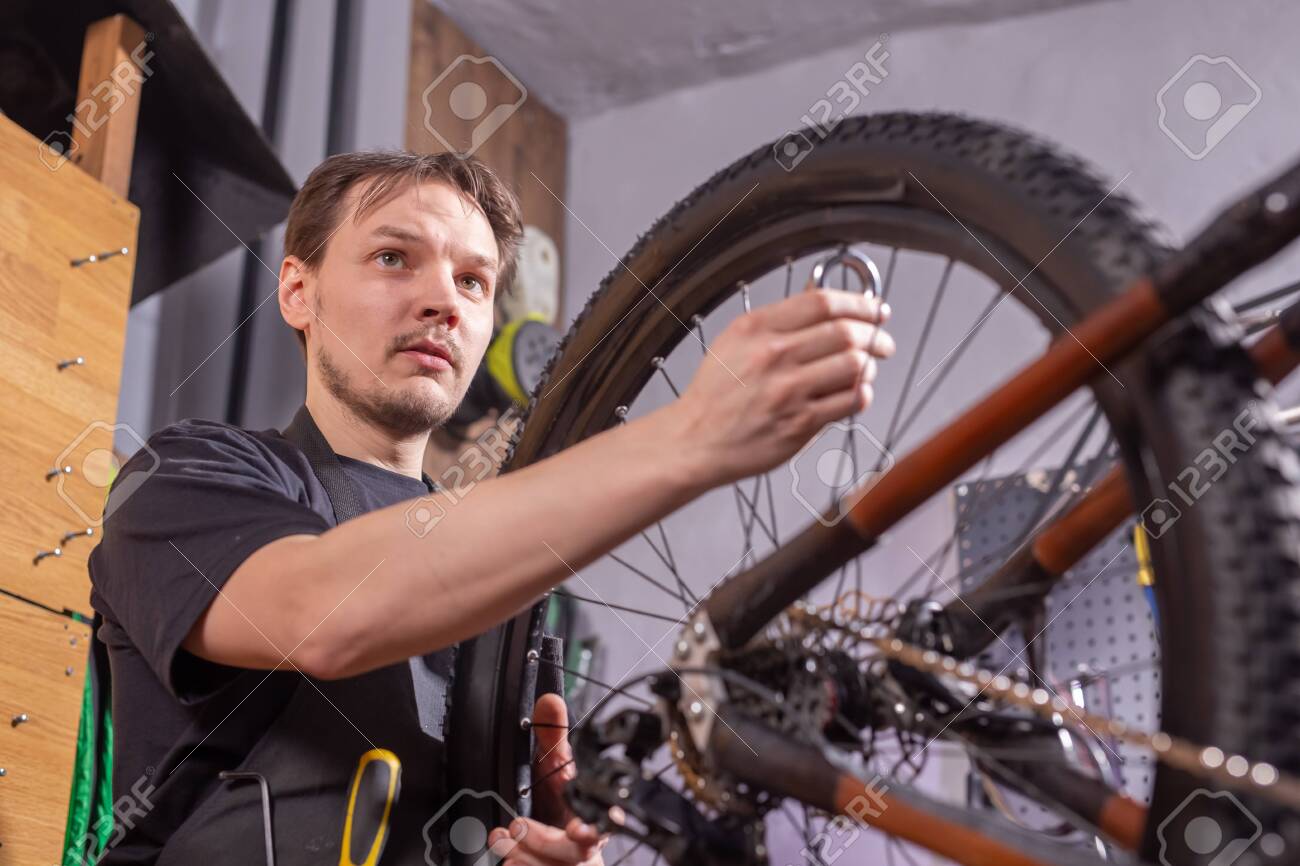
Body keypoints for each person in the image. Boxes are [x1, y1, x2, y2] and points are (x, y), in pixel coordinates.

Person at [88, 150, 895, 865]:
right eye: (394, 257)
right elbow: (326, 612)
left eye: (473, 280)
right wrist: (690, 438)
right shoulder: (189, 475)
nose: (446, 300)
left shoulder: (505, 596)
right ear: (298, 292)